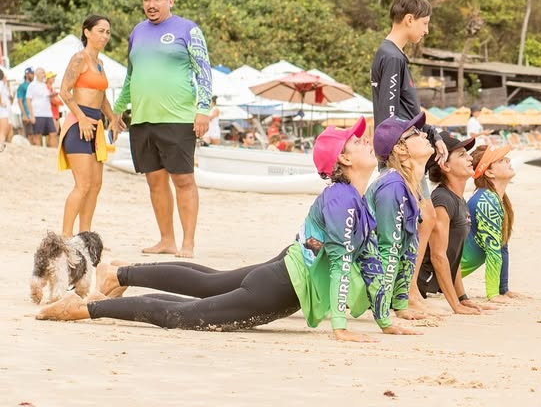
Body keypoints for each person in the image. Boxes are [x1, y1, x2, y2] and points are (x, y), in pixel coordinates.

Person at [37, 117, 420, 339]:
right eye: (356, 140)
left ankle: (118, 274)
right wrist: (340, 327)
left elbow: (367, 265)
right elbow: (341, 263)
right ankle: (87, 309)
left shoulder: (352, 196)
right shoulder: (342, 199)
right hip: (280, 284)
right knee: (185, 315)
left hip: (282, 278)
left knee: (207, 286)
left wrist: (386, 320)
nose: (366, 141)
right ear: (344, 159)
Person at [113, 0, 212, 258]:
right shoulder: (137, 32)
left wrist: (203, 109)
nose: (151, 4)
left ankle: (187, 243)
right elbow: (131, 76)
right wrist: (119, 107)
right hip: (143, 119)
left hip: (178, 118)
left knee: (183, 180)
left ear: (170, 1)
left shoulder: (188, 29)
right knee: (154, 181)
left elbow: (203, 70)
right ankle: (166, 239)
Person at [370, 0, 447, 313]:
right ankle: (405, 295)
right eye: (425, 23)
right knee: (418, 219)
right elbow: (389, 114)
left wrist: (433, 134)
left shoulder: (395, 55)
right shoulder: (391, 56)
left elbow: (406, 109)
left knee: (425, 218)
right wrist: (399, 153)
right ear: (409, 19)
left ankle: (410, 291)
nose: (426, 30)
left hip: (410, 148)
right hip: (401, 156)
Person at [56, 15, 123, 238]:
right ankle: (65, 237)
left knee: (96, 184)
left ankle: (84, 235)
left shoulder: (100, 64)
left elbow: (101, 96)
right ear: (87, 32)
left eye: (107, 32)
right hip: (78, 125)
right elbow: (64, 91)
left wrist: (113, 117)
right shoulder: (79, 59)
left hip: (96, 127)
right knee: (83, 184)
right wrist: (82, 117)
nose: (105, 35)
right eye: (100, 31)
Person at [367, 113, 434, 322]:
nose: (423, 134)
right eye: (414, 133)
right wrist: (383, 315)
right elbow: (389, 248)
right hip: (306, 281)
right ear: (400, 148)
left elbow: (408, 250)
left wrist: (401, 306)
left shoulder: (408, 186)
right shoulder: (392, 185)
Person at [416, 131, 490, 315]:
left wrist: (462, 298)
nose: (469, 158)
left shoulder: (457, 199)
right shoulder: (442, 200)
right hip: (422, 289)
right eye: (462, 154)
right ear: (445, 166)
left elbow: (453, 258)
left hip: (430, 290)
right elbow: (438, 257)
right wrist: (454, 306)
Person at [460, 144, 522, 301]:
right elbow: (493, 250)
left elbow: (502, 246)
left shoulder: (495, 198)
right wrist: (493, 294)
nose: (508, 160)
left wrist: (503, 290)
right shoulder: (486, 201)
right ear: (488, 172)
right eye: (501, 160)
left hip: (450, 277)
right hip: (435, 279)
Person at [26, 67, 58, 147]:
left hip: (48, 113)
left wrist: (52, 95)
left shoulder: (44, 85)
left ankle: (52, 152)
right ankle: (38, 154)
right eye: (43, 73)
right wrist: (32, 115)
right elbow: (28, 100)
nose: (44, 74)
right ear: (37, 74)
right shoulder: (32, 85)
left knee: (53, 133)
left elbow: (45, 97)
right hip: (38, 113)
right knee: (37, 135)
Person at [16, 66, 33, 138]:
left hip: (35, 114)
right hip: (27, 114)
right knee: (30, 136)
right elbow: (19, 101)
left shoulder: (33, 85)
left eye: (33, 73)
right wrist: (24, 115)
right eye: (31, 73)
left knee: (35, 136)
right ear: (27, 74)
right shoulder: (22, 86)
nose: (33, 75)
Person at [0, 68, 12, 144]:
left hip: (4, 110)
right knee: (3, 132)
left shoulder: (4, 85)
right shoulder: (0, 83)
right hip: (2, 110)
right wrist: (1, 102)